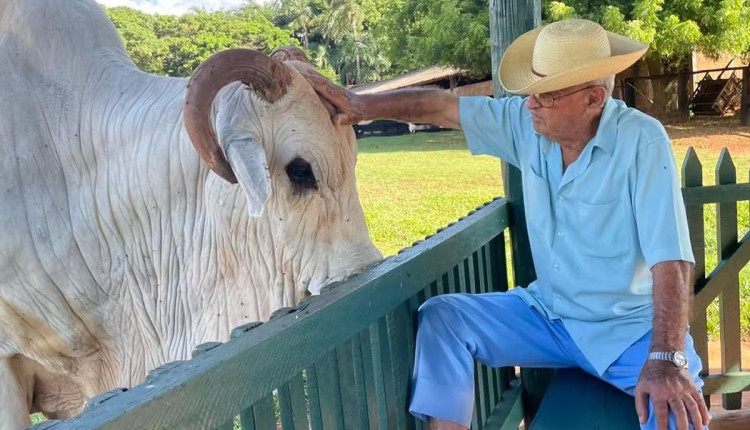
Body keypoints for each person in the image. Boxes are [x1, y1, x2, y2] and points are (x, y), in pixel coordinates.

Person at [303, 18, 712, 430]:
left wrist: (666, 357)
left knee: (678, 412)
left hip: (625, 331)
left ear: (593, 98)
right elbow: (440, 106)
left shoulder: (641, 141)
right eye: (531, 92)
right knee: (444, 318)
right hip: (549, 318)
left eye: (547, 95)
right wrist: (361, 106)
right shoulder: (526, 125)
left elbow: (671, 260)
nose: (530, 104)